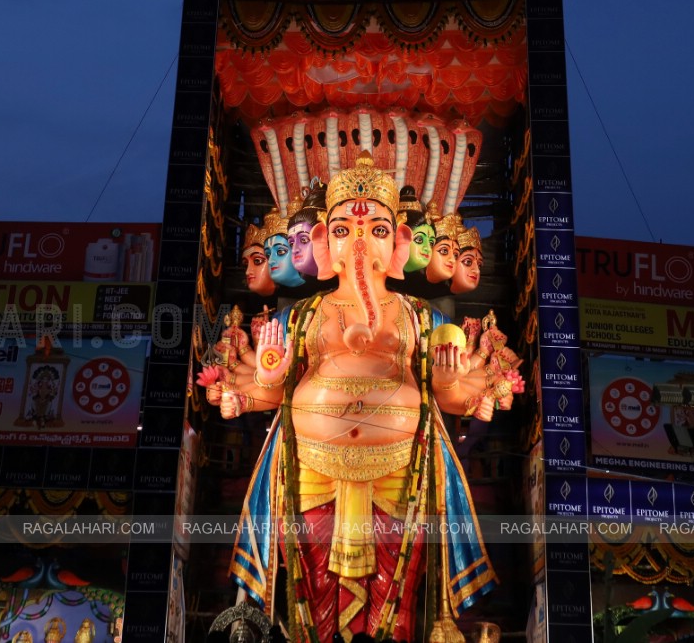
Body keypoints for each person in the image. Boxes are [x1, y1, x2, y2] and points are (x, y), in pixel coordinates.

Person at [198, 152, 520, 642]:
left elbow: (459, 399)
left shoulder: (420, 317)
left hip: (400, 479)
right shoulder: (300, 317)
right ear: (325, 243)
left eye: (377, 229)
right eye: (346, 229)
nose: (361, 241)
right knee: (313, 604)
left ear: (399, 244)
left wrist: (451, 382)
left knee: (397, 604)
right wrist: (270, 378)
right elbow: (255, 392)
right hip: (311, 475)